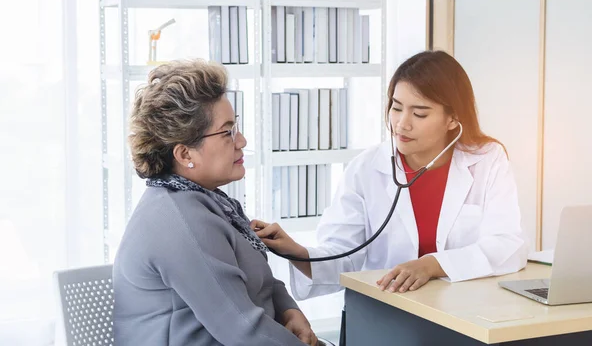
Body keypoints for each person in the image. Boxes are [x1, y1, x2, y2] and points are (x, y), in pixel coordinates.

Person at [251, 50, 528, 302]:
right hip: (385, 309)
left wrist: (432, 264)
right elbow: (343, 256)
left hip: (463, 312)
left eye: (419, 113)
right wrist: (296, 251)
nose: (401, 124)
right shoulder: (366, 168)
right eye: (396, 107)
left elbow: (507, 245)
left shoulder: (487, 160)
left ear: (452, 119)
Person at [113, 59, 318, 346]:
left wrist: (288, 309)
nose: (242, 141)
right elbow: (244, 331)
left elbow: (257, 282)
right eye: (227, 132)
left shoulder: (208, 202)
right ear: (185, 155)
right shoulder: (180, 221)